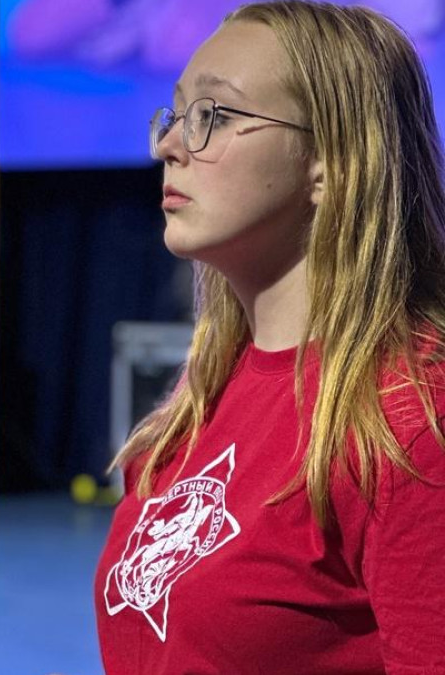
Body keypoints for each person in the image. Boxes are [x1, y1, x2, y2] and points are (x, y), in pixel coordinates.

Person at [95, 2, 445, 672]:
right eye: (176, 114)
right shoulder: (200, 398)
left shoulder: (411, 418)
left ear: (331, 161)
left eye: (215, 116)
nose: (169, 146)